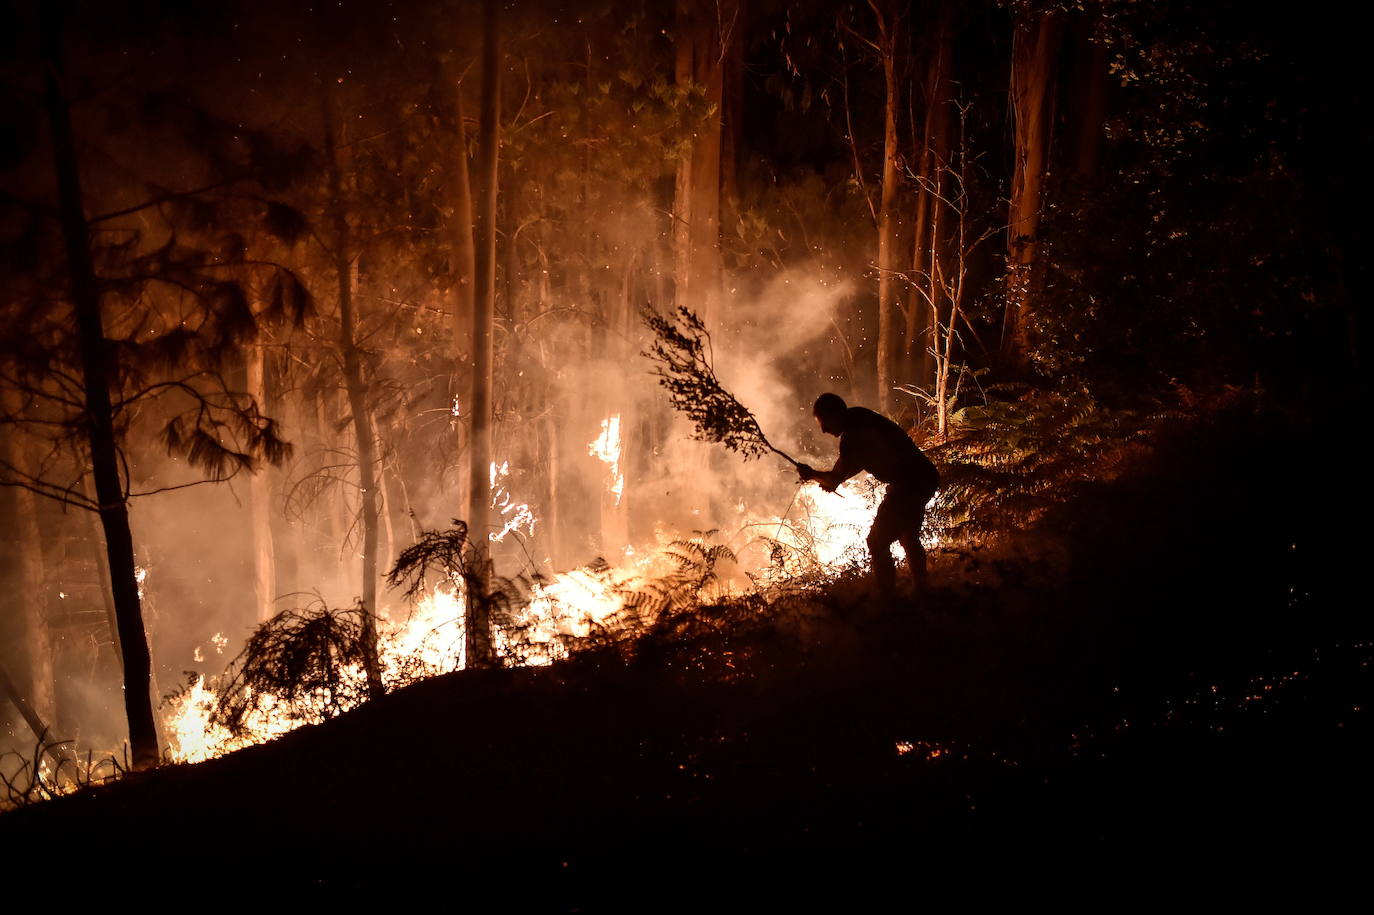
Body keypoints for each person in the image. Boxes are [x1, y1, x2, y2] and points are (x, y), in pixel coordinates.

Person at [797, 392, 939, 600]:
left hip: (911, 482)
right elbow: (860, 460)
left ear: (835, 414)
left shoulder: (853, 434)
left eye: (824, 422)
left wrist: (812, 474)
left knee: (877, 541)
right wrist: (829, 477)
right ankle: (922, 593)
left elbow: (836, 477)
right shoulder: (859, 417)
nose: (824, 429)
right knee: (908, 536)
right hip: (923, 477)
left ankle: (890, 600)